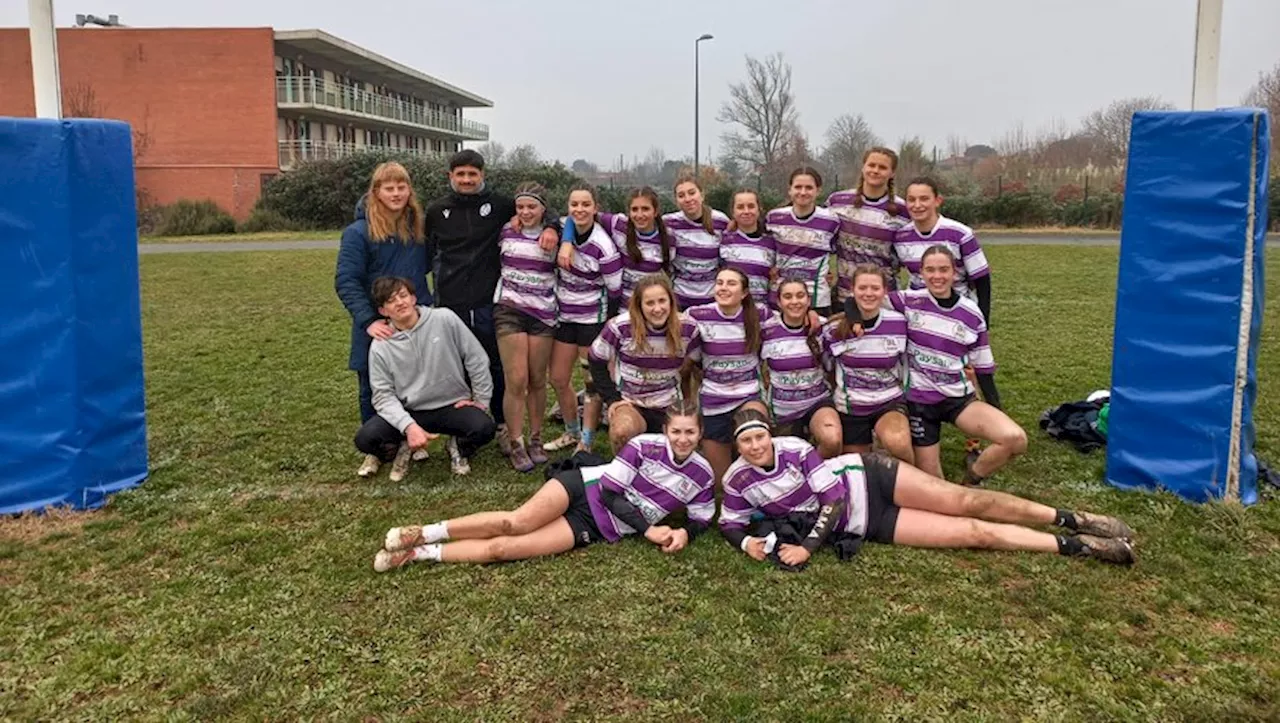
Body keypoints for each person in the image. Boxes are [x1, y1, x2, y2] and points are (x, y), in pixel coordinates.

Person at [719, 408, 1135, 570]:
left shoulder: (794, 449)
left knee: (967, 500)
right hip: (870, 523)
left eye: (760, 437)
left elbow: (833, 499)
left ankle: (1071, 518)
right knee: (975, 533)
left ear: (770, 435)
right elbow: (731, 523)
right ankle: (1077, 545)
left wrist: (808, 546)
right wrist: (746, 546)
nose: (755, 447)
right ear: (736, 447)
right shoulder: (736, 479)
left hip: (870, 477)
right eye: (745, 442)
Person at [372, 400, 714, 571]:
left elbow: (700, 518)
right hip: (585, 489)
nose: (682, 439)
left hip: (596, 526)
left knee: (502, 550)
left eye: (690, 432)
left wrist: (686, 533)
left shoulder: (703, 475)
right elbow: (610, 492)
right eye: (676, 431)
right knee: (515, 522)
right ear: (666, 431)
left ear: (701, 436)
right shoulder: (642, 446)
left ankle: (417, 554)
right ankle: (423, 532)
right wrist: (648, 531)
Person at [425, 149, 560, 461]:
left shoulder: (500, 206)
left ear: (482, 175)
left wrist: (552, 226)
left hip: (490, 302)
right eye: (461, 174)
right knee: (457, 368)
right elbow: (427, 252)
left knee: (497, 368)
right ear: (451, 177)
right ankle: (458, 435)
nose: (467, 179)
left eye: (473, 174)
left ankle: (502, 428)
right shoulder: (436, 210)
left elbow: (539, 210)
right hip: (451, 302)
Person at [889, 246, 1026, 483]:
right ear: (921, 273)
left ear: (955, 273)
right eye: (930, 270)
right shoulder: (908, 300)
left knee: (1015, 439)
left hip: (957, 399)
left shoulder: (971, 313)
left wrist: (995, 406)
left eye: (944, 269)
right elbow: (865, 301)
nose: (937, 276)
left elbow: (983, 366)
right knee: (935, 485)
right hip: (920, 402)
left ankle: (971, 481)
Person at [335, 161, 433, 479]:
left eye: (401, 187)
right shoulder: (358, 233)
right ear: (376, 192)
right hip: (376, 326)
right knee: (371, 386)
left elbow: (426, 270)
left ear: (409, 190)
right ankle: (376, 449)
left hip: (414, 321)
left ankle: (411, 441)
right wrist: (367, 320)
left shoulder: (418, 229)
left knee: (415, 383)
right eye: (388, 188)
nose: (396, 193)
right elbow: (346, 280)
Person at [353, 276, 497, 479]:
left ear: (413, 298)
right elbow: (382, 396)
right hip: (410, 410)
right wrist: (408, 426)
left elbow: (477, 359)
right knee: (365, 439)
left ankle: (458, 446)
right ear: (383, 311)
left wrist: (481, 401)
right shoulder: (380, 345)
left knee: (483, 428)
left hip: (451, 406)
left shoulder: (444, 318)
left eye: (403, 296)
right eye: (391, 301)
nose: (400, 303)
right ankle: (401, 447)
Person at [545, 183, 623, 453]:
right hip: (565, 315)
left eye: (585, 204)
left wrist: (607, 327)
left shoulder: (604, 246)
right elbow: (554, 220)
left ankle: (587, 440)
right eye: (574, 204)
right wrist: (564, 240)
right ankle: (571, 431)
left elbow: (615, 290)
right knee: (557, 377)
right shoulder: (563, 227)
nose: (579, 209)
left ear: (595, 208)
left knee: (592, 382)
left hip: (593, 318)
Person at [588, 274, 701, 451]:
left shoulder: (688, 328)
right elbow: (595, 360)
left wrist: (693, 403)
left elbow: (700, 362)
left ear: (671, 301)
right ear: (639, 306)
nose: (657, 309)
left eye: (662, 301)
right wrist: (612, 399)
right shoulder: (620, 327)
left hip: (669, 403)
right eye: (649, 303)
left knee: (674, 452)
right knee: (621, 432)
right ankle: (625, 473)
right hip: (631, 402)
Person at [685, 266, 772, 483]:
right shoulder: (697, 316)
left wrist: (812, 316)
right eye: (720, 283)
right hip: (714, 400)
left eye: (731, 283)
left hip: (748, 396)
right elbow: (689, 357)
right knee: (722, 483)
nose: (723, 288)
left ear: (744, 293)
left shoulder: (761, 314)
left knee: (754, 440)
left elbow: (794, 319)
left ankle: (764, 494)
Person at [494, 182, 558, 472]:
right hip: (510, 309)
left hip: (543, 313)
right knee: (516, 379)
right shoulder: (506, 230)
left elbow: (576, 224)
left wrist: (555, 227)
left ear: (543, 208)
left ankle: (535, 437)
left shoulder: (556, 234)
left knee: (537, 379)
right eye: (520, 207)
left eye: (531, 206)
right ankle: (516, 441)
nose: (525, 212)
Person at [823, 264, 914, 463]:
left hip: (888, 401)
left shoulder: (899, 323)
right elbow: (826, 366)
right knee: (858, 465)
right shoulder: (834, 329)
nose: (868, 294)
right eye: (862, 288)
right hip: (851, 406)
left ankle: (908, 488)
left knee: (898, 442)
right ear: (852, 290)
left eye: (875, 288)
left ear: (885, 291)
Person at [760, 277, 842, 458]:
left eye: (800, 296)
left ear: (808, 300)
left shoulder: (822, 327)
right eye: (788, 297)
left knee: (832, 440)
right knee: (786, 460)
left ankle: (816, 471)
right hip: (783, 409)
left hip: (818, 401)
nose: (795, 302)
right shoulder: (766, 330)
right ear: (779, 302)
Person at [894, 176, 993, 323]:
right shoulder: (901, 236)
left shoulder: (960, 233)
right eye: (911, 199)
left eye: (924, 199)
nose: (917, 205)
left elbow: (982, 280)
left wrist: (983, 322)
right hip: (918, 315)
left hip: (956, 314)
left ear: (937, 201)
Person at [826, 147, 911, 301]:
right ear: (863, 167)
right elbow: (822, 241)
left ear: (892, 173)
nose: (875, 170)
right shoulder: (837, 202)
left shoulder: (903, 211)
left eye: (883, 167)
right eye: (871, 165)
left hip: (884, 299)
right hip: (844, 296)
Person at [766, 167, 842, 315]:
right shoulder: (773, 218)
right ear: (790, 190)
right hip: (782, 295)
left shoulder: (831, 220)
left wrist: (829, 273)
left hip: (817, 298)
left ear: (818, 190)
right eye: (798, 187)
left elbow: (837, 250)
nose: (803, 192)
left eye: (809, 188)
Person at [665, 173, 730, 310]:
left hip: (711, 299)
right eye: (681, 195)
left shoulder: (720, 221)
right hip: (680, 298)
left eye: (691, 193)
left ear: (702, 194)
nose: (687, 199)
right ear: (676, 200)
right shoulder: (669, 223)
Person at [612, 186, 674, 308]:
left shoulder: (669, 238)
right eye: (634, 209)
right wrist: (567, 242)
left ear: (655, 211)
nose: (639, 215)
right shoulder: (618, 226)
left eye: (645, 209)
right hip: (624, 310)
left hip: (652, 310)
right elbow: (582, 216)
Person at [718, 188, 777, 306]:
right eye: (740, 207)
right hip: (731, 309)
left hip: (761, 309)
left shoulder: (772, 242)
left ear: (759, 209)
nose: (746, 211)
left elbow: (775, 278)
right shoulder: (723, 240)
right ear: (733, 212)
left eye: (751, 206)